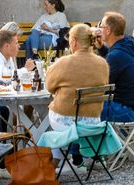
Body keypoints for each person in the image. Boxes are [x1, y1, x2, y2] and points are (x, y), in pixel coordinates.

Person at [44, 24, 110, 163]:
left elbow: (49, 87)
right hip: (93, 122)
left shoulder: (63, 63)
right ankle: (69, 158)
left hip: (66, 122)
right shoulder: (103, 63)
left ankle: (56, 160)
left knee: (52, 110)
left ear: (73, 42)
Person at [98, 12, 134, 123]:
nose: (98, 29)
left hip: (131, 112)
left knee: (86, 105)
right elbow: (116, 59)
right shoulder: (130, 44)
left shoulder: (116, 56)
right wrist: (101, 48)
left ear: (108, 31)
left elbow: (102, 87)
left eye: (101, 26)